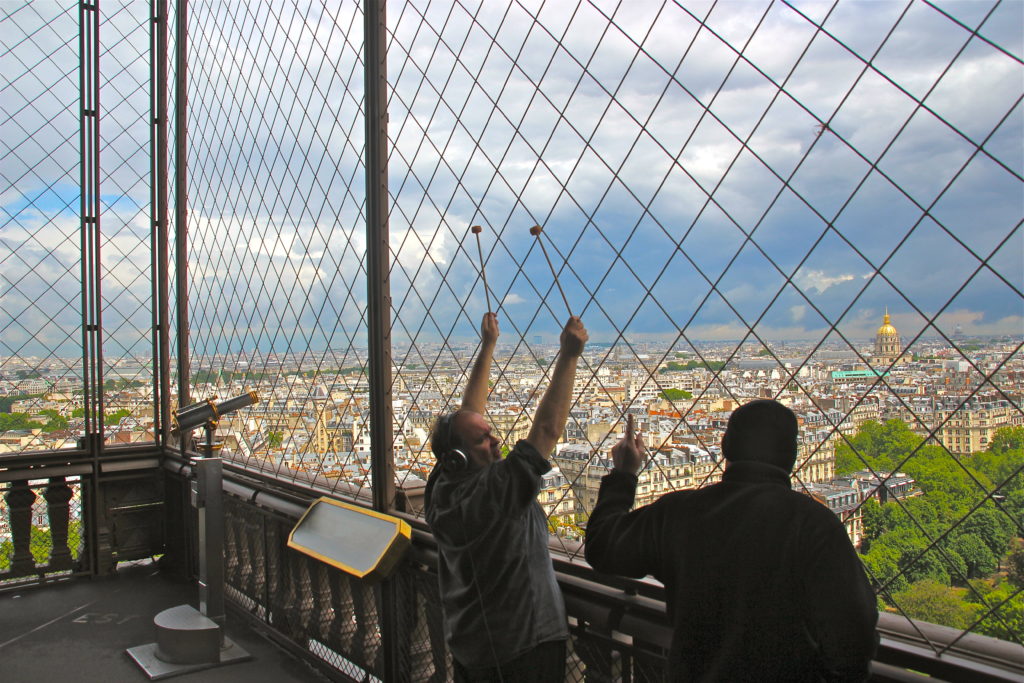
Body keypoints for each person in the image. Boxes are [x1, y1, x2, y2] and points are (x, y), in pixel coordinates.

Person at [585, 400, 879, 682]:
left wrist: (623, 475)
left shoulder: (680, 512)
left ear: (725, 447)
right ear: (792, 455)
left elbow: (602, 547)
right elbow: (855, 634)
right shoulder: (816, 525)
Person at [425, 311, 588, 682]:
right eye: (485, 439)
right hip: (522, 643)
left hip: (471, 642)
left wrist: (488, 347)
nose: (496, 439)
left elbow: (468, 416)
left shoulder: (442, 486)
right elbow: (546, 430)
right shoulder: (494, 491)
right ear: (459, 456)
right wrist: (568, 357)